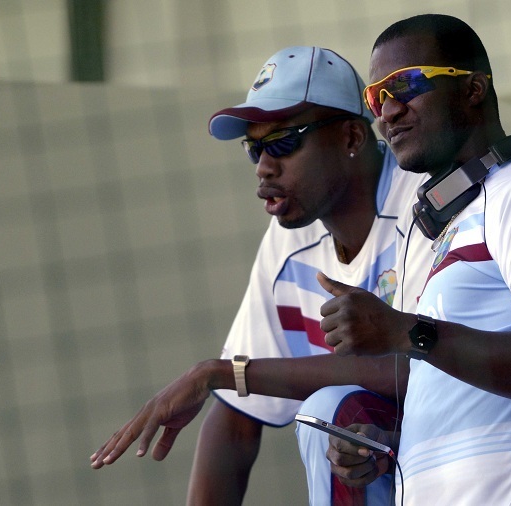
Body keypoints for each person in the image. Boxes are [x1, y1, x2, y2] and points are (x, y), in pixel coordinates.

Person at [89, 46, 428, 505]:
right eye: (255, 148)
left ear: (351, 136)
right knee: (332, 416)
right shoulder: (288, 241)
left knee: (333, 408)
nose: (265, 166)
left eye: (284, 142)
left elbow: (434, 367)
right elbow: (236, 420)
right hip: (405, 467)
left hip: (486, 461)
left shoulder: (426, 207)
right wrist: (224, 379)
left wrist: (221, 373)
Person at [315, 14, 511, 505]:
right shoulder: (447, 231)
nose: (388, 111)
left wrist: (406, 332)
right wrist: (393, 448)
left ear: (473, 90)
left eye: (406, 84)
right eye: (376, 98)